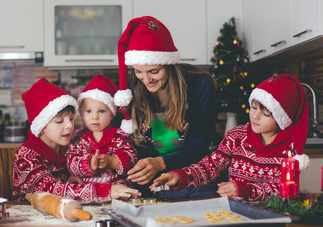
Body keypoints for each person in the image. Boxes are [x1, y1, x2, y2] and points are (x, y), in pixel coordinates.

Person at [150, 74, 310, 201]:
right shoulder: (237, 136)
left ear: (282, 117)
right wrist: (179, 176)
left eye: (266, 113)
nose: (256, 115)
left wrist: (243, 190)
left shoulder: (290, 149)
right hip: (236, 213)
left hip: (274, 215)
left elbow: (281, 187)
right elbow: (210, 167)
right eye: (253, 107)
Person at [113, 16, 221, 198]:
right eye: (139, 72)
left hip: (195, 177)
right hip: (154, 180)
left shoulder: (199, 85)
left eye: (154, 71)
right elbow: (116, 136)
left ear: (169, 65)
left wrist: (160, 163)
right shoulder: (133, 89)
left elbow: (199, 146)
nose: (146, 80)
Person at [12, 78, 140, 203]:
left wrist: (70, 179)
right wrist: (108, 190)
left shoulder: (66, 147)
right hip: (29, 215)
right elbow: (53, 191)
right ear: (41, 127)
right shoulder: (26, 156)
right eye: (59, 121)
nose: (69, 125)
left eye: (71, 118)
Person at [65, 74, 137, 187]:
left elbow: (132, 158)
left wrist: (112, 162)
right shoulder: (78, 140)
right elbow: (70, 161)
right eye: (88, 111)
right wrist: (88, 163)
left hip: (119, 191)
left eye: (101, 111)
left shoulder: (121, 137)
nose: (95, 117)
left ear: (112, 114)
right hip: (89, 193)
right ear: (81, 114)